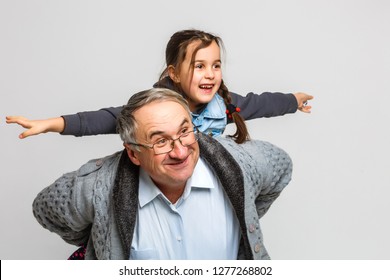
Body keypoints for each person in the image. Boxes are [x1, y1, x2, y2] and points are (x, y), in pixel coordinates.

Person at [32, 88, 293, 260]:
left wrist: (245, 212)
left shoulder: (241, 163)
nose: (180, 151)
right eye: (160, 142)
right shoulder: (98, 186)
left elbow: (281, 167)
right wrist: (101, 234)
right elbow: (46, 209)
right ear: (134, 153)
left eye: (184, 131)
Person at [6, 29, 313, 143]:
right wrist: (51, 124)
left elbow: (263, 103)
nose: (210, 75)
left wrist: (293, 100)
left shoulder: (223, 104)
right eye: (198, 66)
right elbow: (107, 118)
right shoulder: (155, 107)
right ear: (174, 73)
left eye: (215, 66)